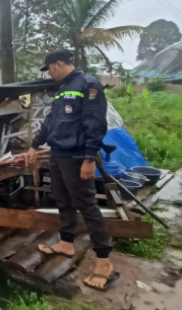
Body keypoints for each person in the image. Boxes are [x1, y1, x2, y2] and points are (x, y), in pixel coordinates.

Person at [25, 49, 116, 290]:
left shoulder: (88, 84)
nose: (49, 73)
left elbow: (96, 125)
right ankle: (66, 242)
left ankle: (104, 261)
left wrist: (89, 159)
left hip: (77, 156)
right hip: (58, 154)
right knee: (62, 199)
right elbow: (50, 122)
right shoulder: (64, 88)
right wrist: (34, 145)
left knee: (87, 205)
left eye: (49, 68)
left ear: (57, 64)